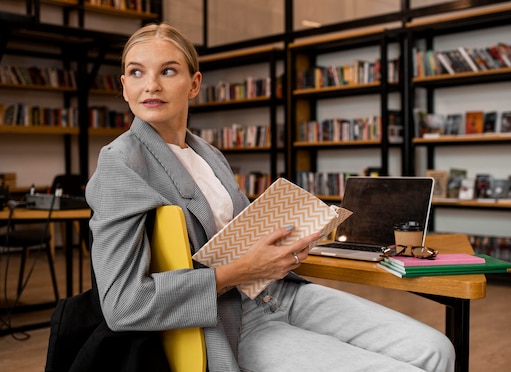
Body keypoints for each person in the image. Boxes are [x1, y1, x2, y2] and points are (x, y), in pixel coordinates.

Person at [85, 23, 455, 372]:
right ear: (123, 86)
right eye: (136, 72)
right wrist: (239, 272)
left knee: (437, 349)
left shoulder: (209, 155)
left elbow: (240, 235)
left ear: (194, 84)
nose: (150, 85)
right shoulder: (120, 165)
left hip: (278, 292)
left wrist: (292, 238)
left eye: (167, 71)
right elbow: (123, 304)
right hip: (228, 318)